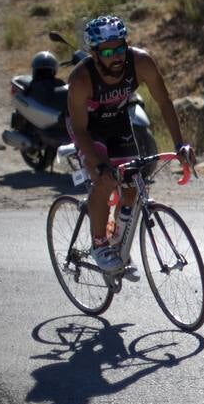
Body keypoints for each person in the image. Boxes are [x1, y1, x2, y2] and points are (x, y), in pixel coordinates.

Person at [66, 14, 194, 274]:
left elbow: (164, 101)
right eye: (108, 51)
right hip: (87, 130)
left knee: (133, 187)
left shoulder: (141, 62)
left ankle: (118, 244)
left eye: (120, 48)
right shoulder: (81, 79)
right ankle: (99, 244)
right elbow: (79, 128)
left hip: (117, 122)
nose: (116, 56)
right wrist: (98, 166)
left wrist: (180, 144)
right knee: (105, 180)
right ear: (94, 53)